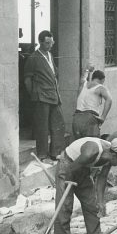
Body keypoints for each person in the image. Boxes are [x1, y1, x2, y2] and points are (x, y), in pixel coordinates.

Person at [53, 137, 117, 234]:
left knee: (92, 205)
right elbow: (71, 169)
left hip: (83, 168)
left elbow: (102, 178)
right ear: (115, 155)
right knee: (65, 206)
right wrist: (66, 183)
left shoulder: (109, 156)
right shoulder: (92, 151)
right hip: (68, 165)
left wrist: (101, 201)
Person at [23, 30, 65, 164]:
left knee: (57, 124)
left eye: (51, 42)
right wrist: (35, 94)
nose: (50, 45)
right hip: (41, 97)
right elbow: (27, 80)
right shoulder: (33, 58)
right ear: (40, 42)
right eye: (47, 43)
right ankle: (42, 155)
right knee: (42, 127)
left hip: (54, 95)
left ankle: (55, 152)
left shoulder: (50, 55)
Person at [72, 68, 113, 139]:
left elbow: (83, 76)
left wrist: (87, 69)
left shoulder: (83, 83)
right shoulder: (101, 88)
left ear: (92, 77)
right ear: (102, 80)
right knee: (92, 145)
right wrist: (103, 117)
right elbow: (109, 100)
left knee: (78, 145)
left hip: (76, 118)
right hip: (90, 118)